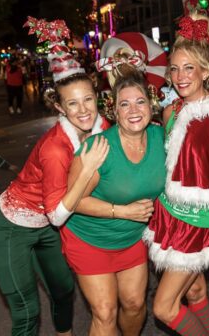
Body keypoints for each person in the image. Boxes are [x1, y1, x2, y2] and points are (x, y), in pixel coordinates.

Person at [0, 17, 110, 336]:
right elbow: (56, 214)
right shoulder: (55, 148)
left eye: (88, 100)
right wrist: (89, 169)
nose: (83, 110)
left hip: (45, 227)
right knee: (27, 313)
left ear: (96, 97)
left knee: (64, 291)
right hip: (11, 226)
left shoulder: (100, 126)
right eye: (73, 104)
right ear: (60, 107)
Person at [144, 15, 209, 336]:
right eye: (173, 69)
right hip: (168, 213)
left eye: (188, 68)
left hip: (198, 222)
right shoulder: (169, 111)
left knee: (164, 307)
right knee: (195, 292)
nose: (179, 76)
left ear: (205, 71)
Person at [61, 67, 165, 336]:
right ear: (114, 112)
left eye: (140, 101)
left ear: (151, 106)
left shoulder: (162, 138)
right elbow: (73, 202)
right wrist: (123, 211)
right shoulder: (97, 148)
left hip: (131, 239)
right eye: (124, 104)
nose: (133, 110)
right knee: (105, 312)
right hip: (89, 239)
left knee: (134, 304)